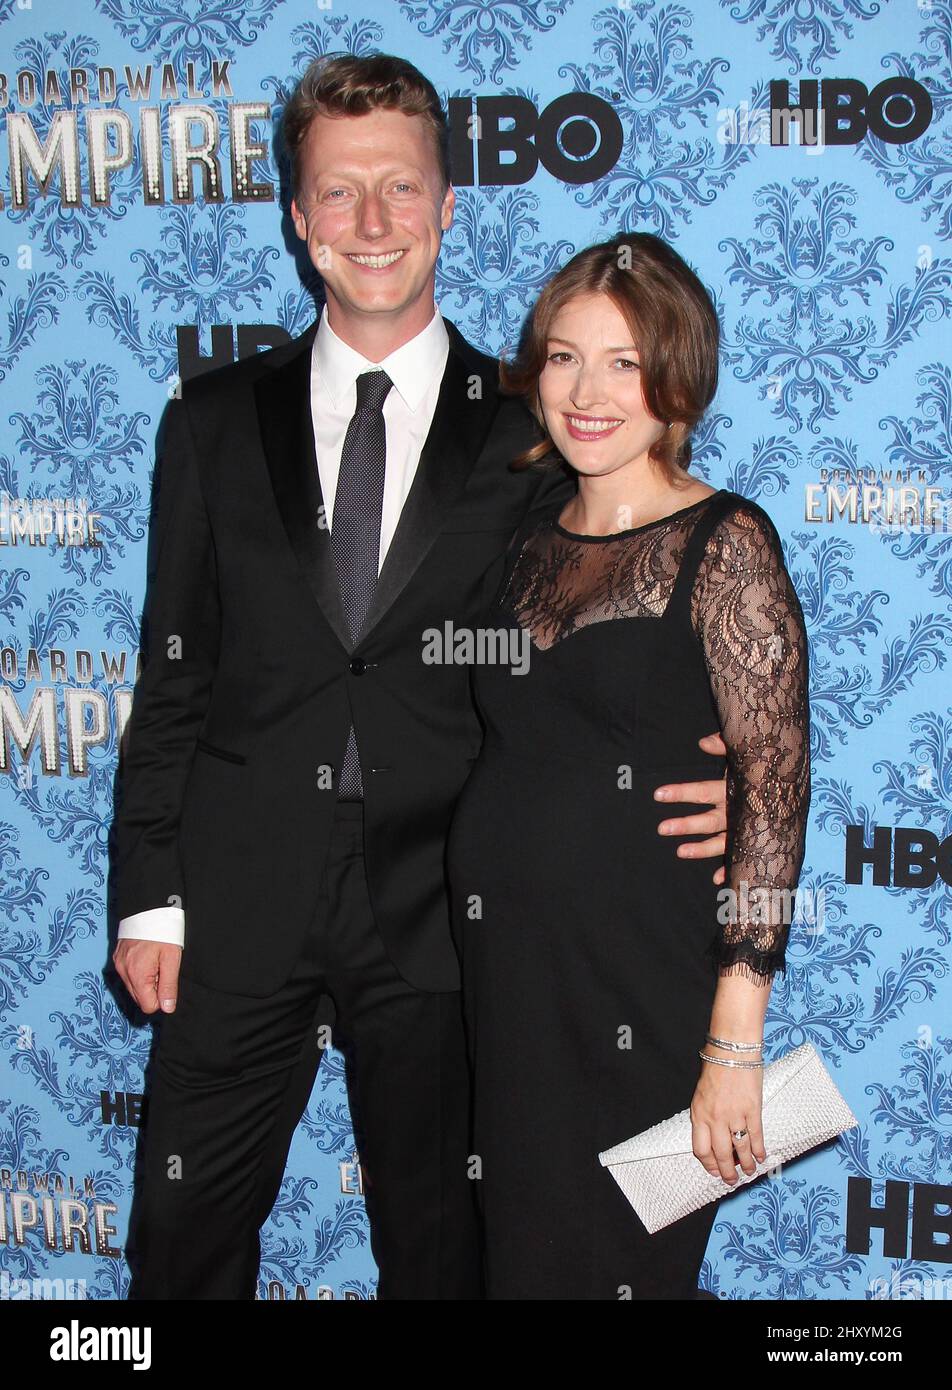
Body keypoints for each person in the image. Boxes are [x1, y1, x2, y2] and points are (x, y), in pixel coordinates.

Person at [110, 54, 730, 1300]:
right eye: (341, 194)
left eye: (402, 188)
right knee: (179, 1252)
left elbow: (624, 620)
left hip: (453, 912)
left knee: (444, 1261)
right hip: (234, 900)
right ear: (298, 217)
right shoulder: (212, 420)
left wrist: (708, 781)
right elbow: (171, 668)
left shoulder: (540, 427)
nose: (374, 224)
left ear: (450, 204)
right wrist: (148, 892)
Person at [447, 232, 812, 1300]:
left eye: (623, 361)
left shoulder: (725, 541)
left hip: (643, 985)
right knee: (525, 1267)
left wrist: (731, 1047)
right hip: (509, 984)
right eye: (564, 357)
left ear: (678, 377)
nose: (588, 390)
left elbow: (776, 785)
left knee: (623, 1269)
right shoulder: (519, 536)